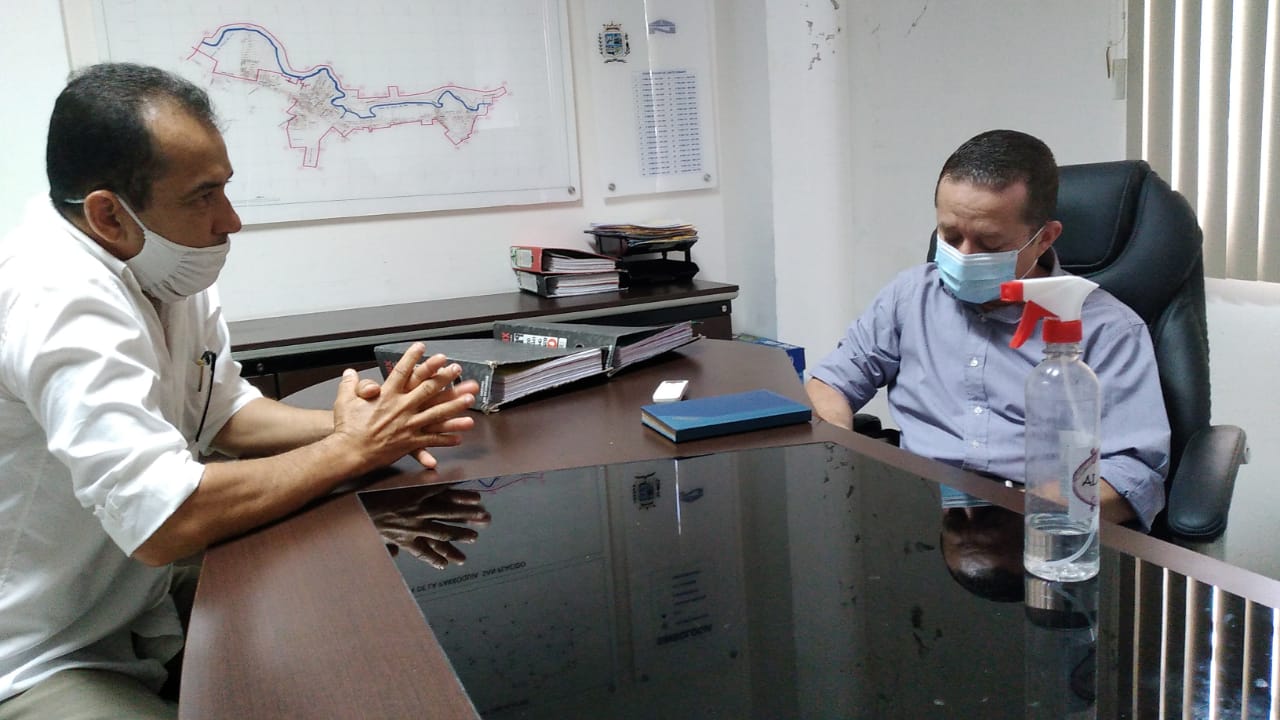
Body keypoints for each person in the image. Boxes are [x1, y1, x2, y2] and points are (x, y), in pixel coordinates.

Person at [0, 63, 490, 718]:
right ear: (108, 214)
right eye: (203, 196)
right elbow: (164, 518)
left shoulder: (162, 266)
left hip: (129, 596)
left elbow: (223, 411)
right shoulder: (56, 296)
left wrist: (365, 426)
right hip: (41, 649)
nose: (230, 220)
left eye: (225, 189)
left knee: (338, 627)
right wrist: (350, 450)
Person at [805, 129, 1170, 531]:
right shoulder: (909, 296)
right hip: (921, 520)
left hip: (1043, 528)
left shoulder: (1108, 329)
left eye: (990, 244)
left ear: (1044, 239)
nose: (964, 256)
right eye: (950, 236)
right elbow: (831, 383)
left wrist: (1023, 509)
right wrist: (841, 452)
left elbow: (1133, 474)